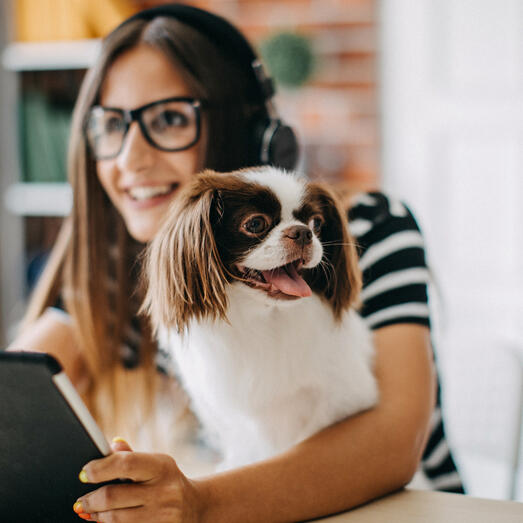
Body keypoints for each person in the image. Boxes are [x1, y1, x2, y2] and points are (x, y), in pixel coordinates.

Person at [8, 4, 464, 522]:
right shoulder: (132, 269)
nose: (130, 158)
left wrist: (202, 502)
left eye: (170, 119)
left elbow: (394, 443)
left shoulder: (364, 229)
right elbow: (16, 395)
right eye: (111, 125)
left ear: (253, 132)